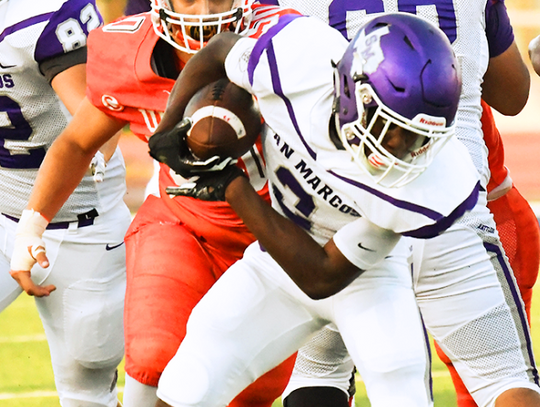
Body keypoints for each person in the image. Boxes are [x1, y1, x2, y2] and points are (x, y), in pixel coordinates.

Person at [147, 12, 531, 407]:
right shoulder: (298, 59)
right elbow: (219, 49)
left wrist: (232, 187)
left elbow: (322, 276)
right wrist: (166, 129)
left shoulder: (433, 183)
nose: (403, 148)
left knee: (401, 388)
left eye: (420, 136)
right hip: (273, 265)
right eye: (393, 127)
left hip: (367, 278)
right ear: (352, 93)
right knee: (190, 379)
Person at [8, 1, 301, 406]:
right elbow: (78, 141)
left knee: (250, 392)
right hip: (179, 220)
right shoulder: (128, 47)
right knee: (152, 355)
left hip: (275, 233)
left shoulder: (291, 41)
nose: (202, 11)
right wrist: (31, 227)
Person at [260, 2, 540, 406]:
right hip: (447, 203)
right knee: (504, 377)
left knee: (317, 373)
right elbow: (513, 95)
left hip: (336, 209)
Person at [0, 0, 130, 406]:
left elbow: (100, 130)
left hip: (80, 221)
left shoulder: (42, 16)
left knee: (87, 383)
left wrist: (34, 221)